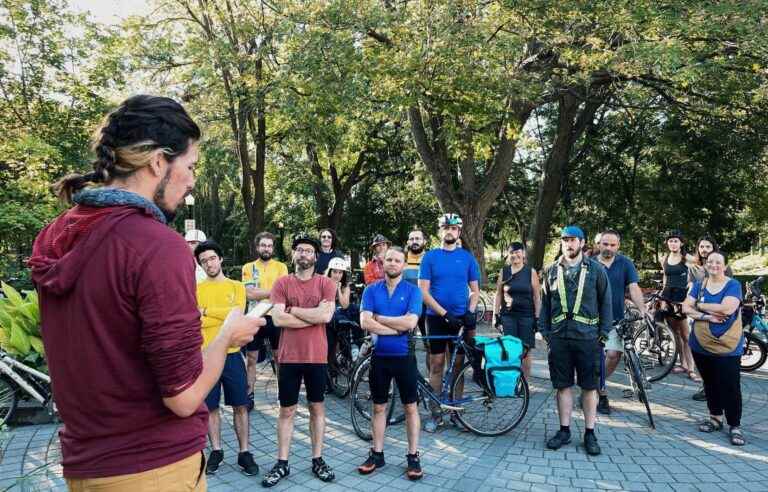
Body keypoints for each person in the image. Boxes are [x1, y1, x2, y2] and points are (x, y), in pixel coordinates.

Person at [29, 95, 263, 490]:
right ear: (158, 162)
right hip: (154, 469)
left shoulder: (57, 235)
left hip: (85, 469)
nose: (192, 180)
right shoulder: (154, 244)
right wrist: (227, 337)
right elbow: (184, 397)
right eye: (190, 167)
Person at [262, 234, 337, 487]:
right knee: (287, 410)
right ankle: (282, 462)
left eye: (308, 251)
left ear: (316, 257)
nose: (304, 254)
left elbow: (326, 316)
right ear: (293, 255)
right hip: (289, 357)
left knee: (317, 407)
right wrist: (310, 315)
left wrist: (292, 310)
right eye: (300, 250)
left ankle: (318, 459)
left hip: (316, 356)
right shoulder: (282, 283)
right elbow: (278, 320)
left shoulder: (326, 283)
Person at [540, 226, 612, 456]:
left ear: (582, 243)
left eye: (573, 240)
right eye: (565, 240)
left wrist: (603, 334)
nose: (568, 244)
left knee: (590, 387)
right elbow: (544, 304)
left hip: (588, 338)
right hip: (559, 337)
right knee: (562, 386)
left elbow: (606, 303)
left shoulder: (596, 270)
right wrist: (545, 332)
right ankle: (564, 430)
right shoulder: (551, 271)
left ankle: (590, 433)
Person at [356, 247, 424, 480]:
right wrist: (395, 329)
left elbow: (410, 323)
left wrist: (381, 319)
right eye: (389, 260)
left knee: (410, 407)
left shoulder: (413, 291)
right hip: (380, 358)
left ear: (404, 265)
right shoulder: (371, 290)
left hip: (405, 358)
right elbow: (365, 321)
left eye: (397, 260)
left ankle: (413, 456)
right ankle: (377, 453)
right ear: (382, 263)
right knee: (378, 407)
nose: (393, 263)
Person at [195, 241, 259, 476]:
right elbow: (196, 320)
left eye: (212, 258)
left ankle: (244, 452)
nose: (209, 263)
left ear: (220, 259)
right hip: (206, 356)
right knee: (211, 408)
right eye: (204, 261)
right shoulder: (196, 289)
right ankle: (217, 450)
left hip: (232, 356)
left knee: (241, 406)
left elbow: (237, 316)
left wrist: (207, 312)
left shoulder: (237, 287)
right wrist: (222, 317)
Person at [418, 213, 480, 432]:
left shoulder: (467, 258)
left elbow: (475, 291)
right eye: (446, 227)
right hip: (437, 319)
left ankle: (456, 413)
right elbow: (424, 292)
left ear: (459, 232)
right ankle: (436, 414)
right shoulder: (430, 257)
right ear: (440, 231)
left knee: (457, 366)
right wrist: (444, 314)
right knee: (436, 366)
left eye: (454, 228)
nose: (450, 231)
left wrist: (471, 312)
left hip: (461, 321)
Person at [681, 252, 745, 446]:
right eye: (710, 262)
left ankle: (735, 425)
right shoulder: (699, 285)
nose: (714, 265)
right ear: (705, 265)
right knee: (709, 383)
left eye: (718, 262)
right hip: (700, 343)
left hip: (728, 345)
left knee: (730, 385)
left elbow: (727, 309)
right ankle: (715, 418)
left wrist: (700, 305)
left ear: (725, 266)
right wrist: (707, 316)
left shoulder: (733, 285)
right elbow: (685, 308)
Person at [594, 230, 647, 415]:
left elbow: (633, 287)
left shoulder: (625, 263)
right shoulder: (589, 263)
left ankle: (594, 383)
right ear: (599, 244)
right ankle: (601, 393)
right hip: (591, 319)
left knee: (614, 355)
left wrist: (642, 310)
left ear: (618, 246)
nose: (608, 248)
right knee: (597, 357)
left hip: (615, 319)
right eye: (605, 244)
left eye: (612, 245)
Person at [242, 231, 289, 406]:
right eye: (263, 245)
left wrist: (261, 293)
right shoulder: (248, 267)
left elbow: (284, 294)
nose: (266, 248)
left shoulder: (281, 267)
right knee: (251, 359)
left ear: (273, 248)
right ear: (257, 247)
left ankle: (282, 393)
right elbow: (249, 293)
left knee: (279, 358)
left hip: (276, 317)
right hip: (255, 318)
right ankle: (249, 395)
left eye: (269, 245)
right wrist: (273, 292)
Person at [686, 236, 733, 401]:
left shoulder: (722, 265)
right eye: (701, 247)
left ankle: (720, 386)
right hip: (699, 316)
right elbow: (691, 289)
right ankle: (706, 387)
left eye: (708, 246)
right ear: (698, 249)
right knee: (701, 351)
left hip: (720, 314)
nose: (704, 249)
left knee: (718, 352)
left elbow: (730, 288)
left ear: (714, 248)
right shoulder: (694, 268)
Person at [493, 242, 541, 380]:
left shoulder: (530, 272)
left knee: (525, 352)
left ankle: (524, 383)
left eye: (517, 252)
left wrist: (537, 318)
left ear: (523, 254)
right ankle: (510, 382)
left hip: (527, 316)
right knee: (510, 350)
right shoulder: (504, 271)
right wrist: (495, 316)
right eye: (512, 253)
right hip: (508, 317)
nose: (515, 255)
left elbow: (537, 296)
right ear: (509, 255)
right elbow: (498, 294)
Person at [660, 230, 699, 382]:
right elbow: (665, 278)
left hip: (681, 297)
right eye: (670, 241)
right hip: (668, 296)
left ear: (681, 243)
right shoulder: (664, 258)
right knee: (674, 333)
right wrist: (663, 299)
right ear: (667, 243)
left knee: (686, 335)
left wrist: (691, 288)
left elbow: (699, 271)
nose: (673, 243)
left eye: (676, 241)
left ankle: (691, 368)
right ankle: (682, 364)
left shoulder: (687, 258)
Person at [325, 257, 362, 369]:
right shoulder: (324, 283)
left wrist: (337, 289)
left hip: (342, 314)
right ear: (330, 272)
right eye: (335, 272)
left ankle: (351, 350)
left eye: (340, 272)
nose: (337, 275)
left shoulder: (345, 286)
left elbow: (345, 304)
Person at [404, 228, 430, 366]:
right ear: (408, 242)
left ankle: (431, 382)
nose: (415, 242)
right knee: (407, 347)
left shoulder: (430, 259)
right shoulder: (401, 259)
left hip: (427, 307)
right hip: (407, 309)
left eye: (418, 239)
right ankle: (409, 378)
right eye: (412, 239)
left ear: (424, 241)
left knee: (430, 347)